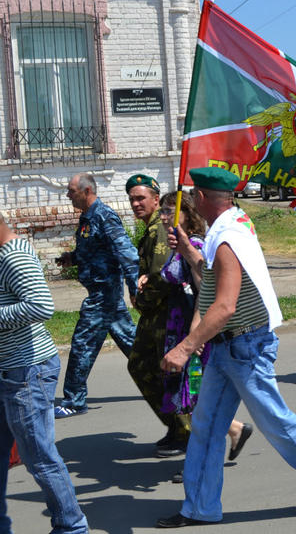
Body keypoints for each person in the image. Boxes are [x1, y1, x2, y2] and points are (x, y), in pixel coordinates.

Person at [156, 167, 296, 528]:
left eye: (194, 194)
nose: (192, 199)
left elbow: (225, 305)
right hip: (230, 344)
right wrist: (187, 250)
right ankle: (198, 508)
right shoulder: (233, 221)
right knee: (207, 425)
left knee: (274, 420)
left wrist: (185, 347)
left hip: (244, 342)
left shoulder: (226, 236)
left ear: (200, 198)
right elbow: (213, 276)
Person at [0, 212, 90, 534]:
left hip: (26, 372)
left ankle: (71, 526)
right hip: (9, 368)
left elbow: (41, 306)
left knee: (39, 456)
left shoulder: (14, 256)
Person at [156, 193, 253, 482]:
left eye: (170, 211)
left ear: (188, 213)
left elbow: (204, 292)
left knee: (197, 394)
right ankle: (232, 431)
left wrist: (194, 337)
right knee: (196, 397)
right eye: (162, 211)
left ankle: (199, 462)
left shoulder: (195, 245)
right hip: (180, 326)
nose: (164, 217)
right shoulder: (178, 246)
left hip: (193, 330)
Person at [54, 172, 138, 418]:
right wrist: (73, 258)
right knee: (133, 344)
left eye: (71, 190)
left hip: (104, 294)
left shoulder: (104, 216)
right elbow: (96, 250)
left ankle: (73, 400)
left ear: (87, 191)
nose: (68, 195)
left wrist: (135, 289)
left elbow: (127, 254)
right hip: (102, 292)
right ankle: (170, 378)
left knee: (81, 344)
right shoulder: (87, 218)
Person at [124, 174, 192, 458]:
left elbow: (164, 278)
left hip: (165, 315)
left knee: (163, 372)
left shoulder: (159, 230)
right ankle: (177, 427)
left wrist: (141, 299)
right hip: (155, 315)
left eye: (141, 198)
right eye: (132, 199)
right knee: (145, 368)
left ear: (155, 199)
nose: (136, 203)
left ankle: (186, 431)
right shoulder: (151, 229)